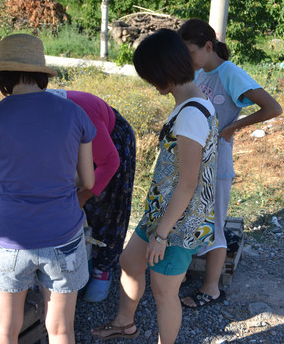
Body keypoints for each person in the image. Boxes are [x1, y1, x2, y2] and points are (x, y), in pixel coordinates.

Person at [91, 29, 218, 343]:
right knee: (129, 262)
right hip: (162, 212)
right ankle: (125, 323)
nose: (150, 83)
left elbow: (188, 183)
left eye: (149, 75)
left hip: (179, 224)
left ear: (163, 72)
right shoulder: (192, 101)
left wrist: (161, 236)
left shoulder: (191, 115)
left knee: (164, 291)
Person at [0, 33, 97, 344]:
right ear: (42, 75)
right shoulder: (74, 113)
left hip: (10, 239)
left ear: (3, 77)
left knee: (3, 331)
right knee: (61, 330)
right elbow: (88, 182)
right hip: (64, 236)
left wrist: (5, 173)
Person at [178, 18, 283, 308]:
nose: (187, 59)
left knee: (214, 225)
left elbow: (273, 108)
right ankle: (181, 273)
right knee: (188, 216)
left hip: (217, 164)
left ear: (207, 46)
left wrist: (233, 127)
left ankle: (211, 288)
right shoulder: (199, 72)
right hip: (195, 160)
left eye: (190, 52)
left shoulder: (229, 72)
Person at [46, 89, 136, 303]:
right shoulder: (35, 116)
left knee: (107, 205)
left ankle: (103, 268)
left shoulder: (80, 114)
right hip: (80, 141)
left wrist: (82, 197)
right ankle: (82, 260)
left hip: (111, 141)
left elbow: (110, 162)